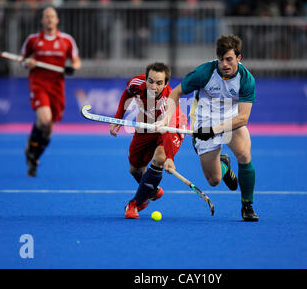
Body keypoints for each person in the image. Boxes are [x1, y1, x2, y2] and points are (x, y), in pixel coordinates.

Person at [156, 34, 258, 221]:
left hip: (231, 119)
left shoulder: (246, 79)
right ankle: (224, 166)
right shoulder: (205, 72)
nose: (225, 64)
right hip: (204, 119)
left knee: (244, 154)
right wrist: (166, 119)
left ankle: (247, 206)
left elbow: (243, 117)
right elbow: (176, 92)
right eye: (221, 59)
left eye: (229, 59)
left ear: (238, 58)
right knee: (214, 180)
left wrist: (215, 130)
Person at [110, 62, 187, 219]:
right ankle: (151, 191)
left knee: (159, 158)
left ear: (166, 84)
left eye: (159, 83)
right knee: (135, 170)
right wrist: (118, 118)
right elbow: (127, 94)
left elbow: (167, 133)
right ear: (146, 79)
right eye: (150, 81)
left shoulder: (169, 101)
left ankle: (134, 204)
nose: (153, 86)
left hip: (170, 128)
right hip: (145, 127)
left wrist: (169, 158)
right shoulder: (137, 83)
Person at [21, 6, 81, 177]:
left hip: (57, 87)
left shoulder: (66, 40)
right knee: (45, 119)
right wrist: (28, 63)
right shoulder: (33, 40)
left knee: (48, 129)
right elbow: (22, 60)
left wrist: (72, 68)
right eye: (46, 16)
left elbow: (76, 61)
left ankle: (33, 156)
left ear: (57, 20)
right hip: (39, 84)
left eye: (52, 16)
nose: (49, 19)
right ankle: (32, 151)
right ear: (42, 20)